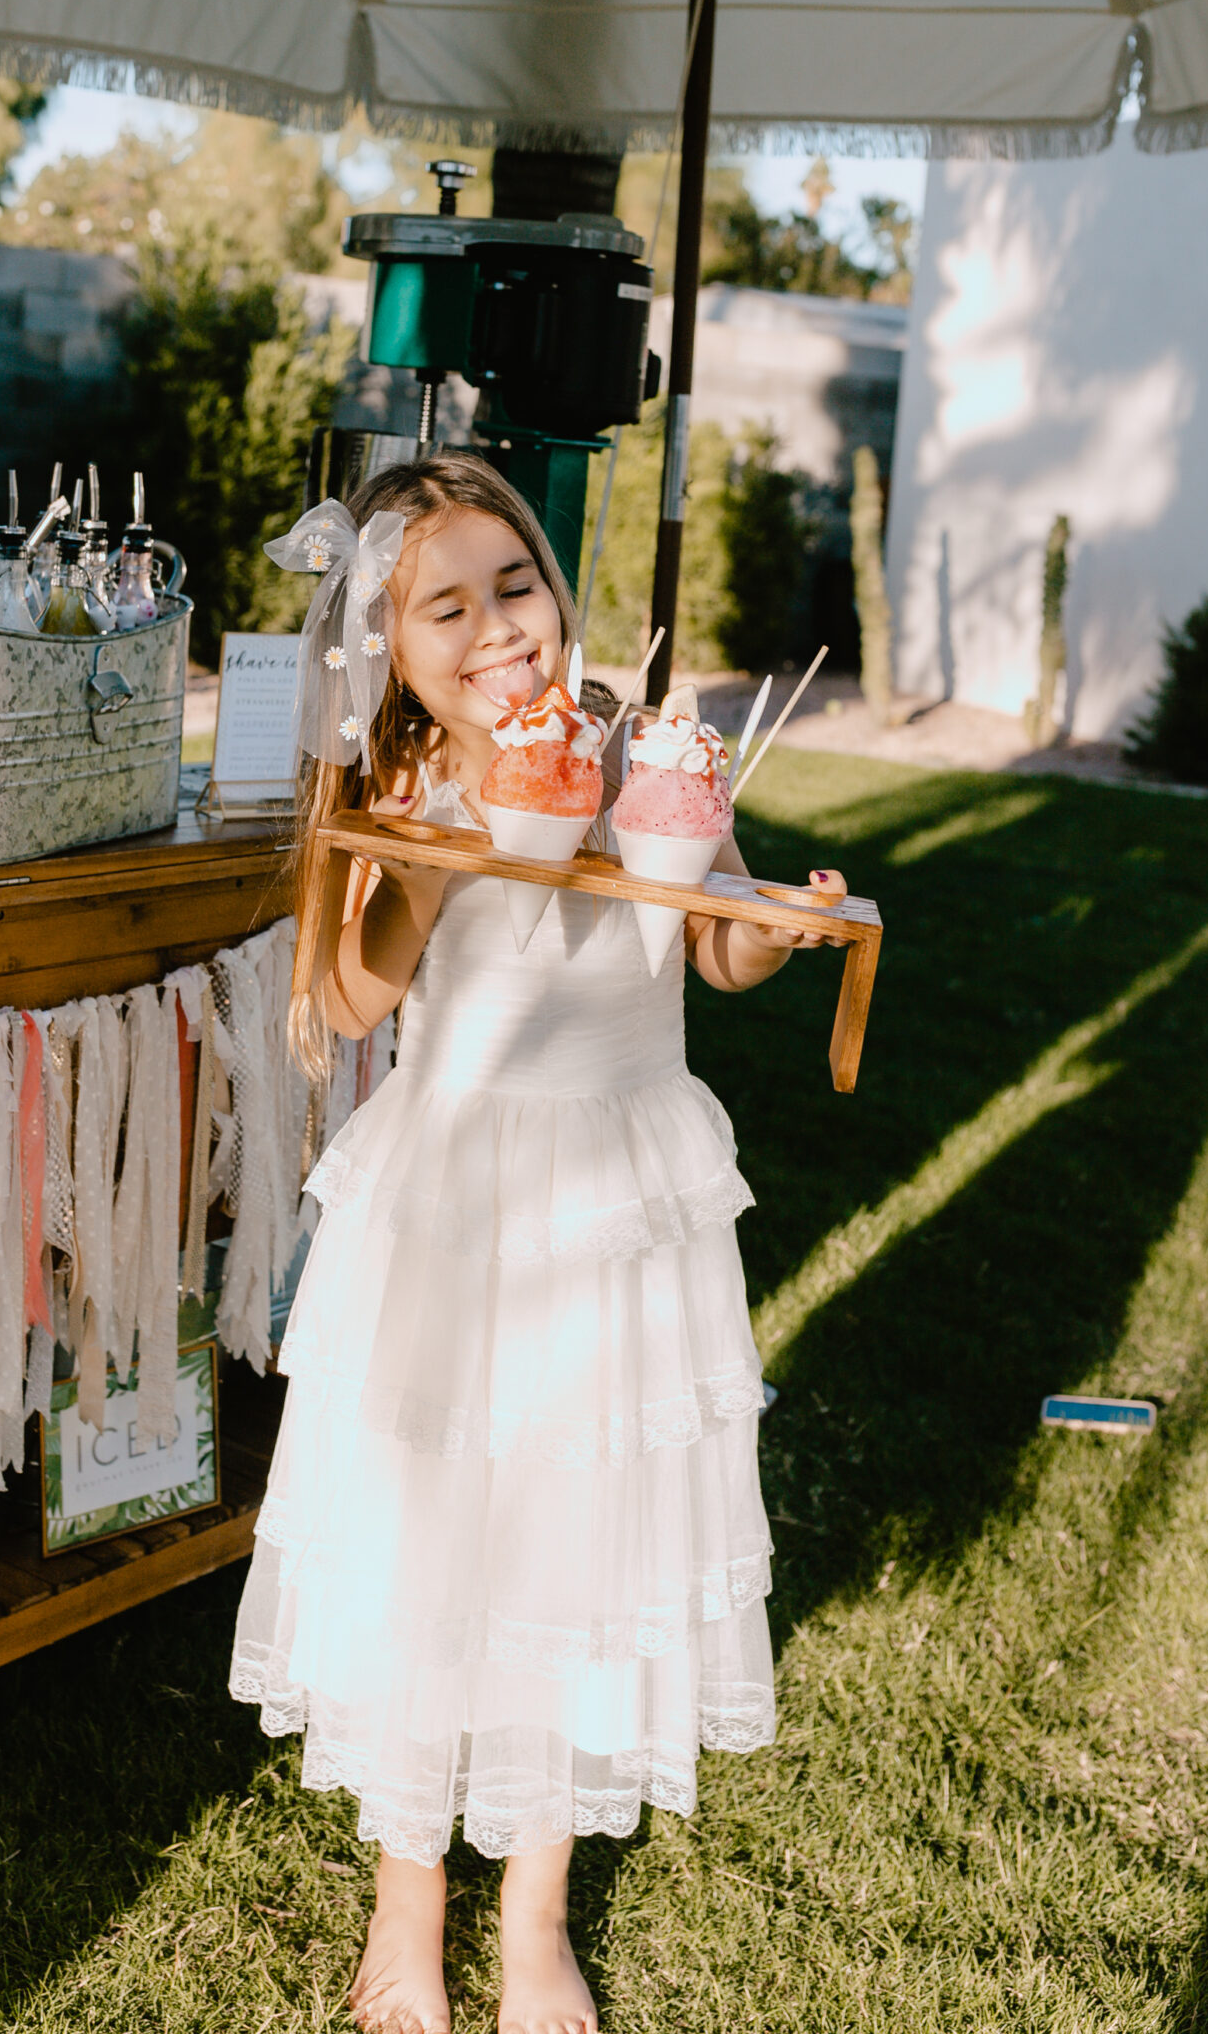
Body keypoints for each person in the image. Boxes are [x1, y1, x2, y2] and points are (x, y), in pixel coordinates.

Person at [230, 454, 847, 2034]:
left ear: (560, 594)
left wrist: (772, 932)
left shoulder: (655, 757)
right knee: (426, 1538)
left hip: (621, 1196)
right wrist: (421, 881)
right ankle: (406, 1911)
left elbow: (709, 944)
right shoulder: (406, 796)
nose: (499, 626)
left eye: (518, 584)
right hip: (454, 1204)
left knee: (585, 1544)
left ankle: (536, 1924)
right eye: (448, 605)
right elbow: (343, 1007)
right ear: (391, 649)